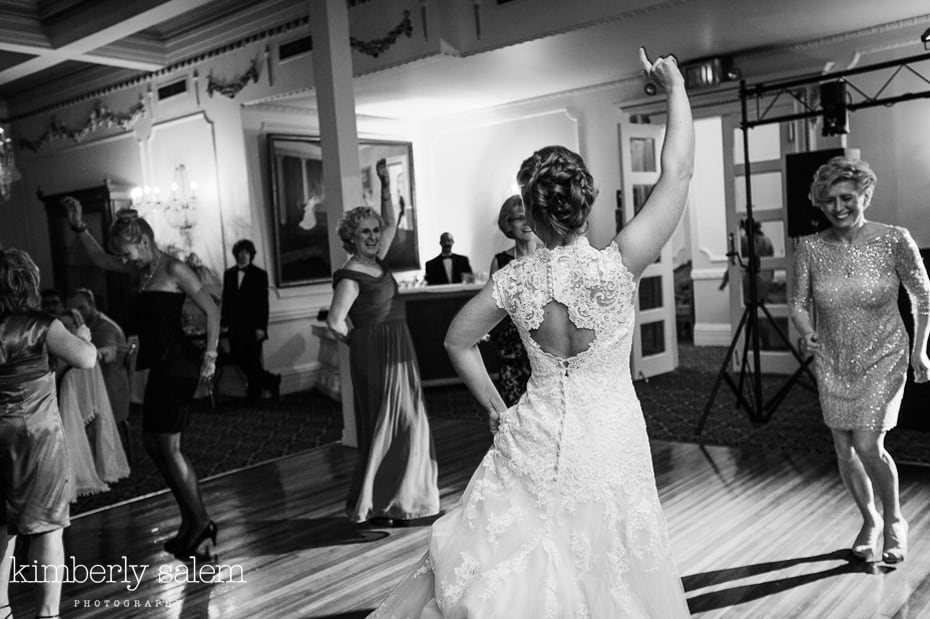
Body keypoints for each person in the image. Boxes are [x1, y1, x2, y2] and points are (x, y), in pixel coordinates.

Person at [369, 47, 693, 617]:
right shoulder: (619, 263)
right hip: (611, 434)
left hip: (533, 432)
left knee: (522, 556)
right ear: (585, 201)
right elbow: (679, 172)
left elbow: (455, 341)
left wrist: (497, 407)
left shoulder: (514, 281)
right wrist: (675, 88)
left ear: (532, 212)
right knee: (610, 556)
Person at [62, 197, 221, 561]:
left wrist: (210, 358)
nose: (126, 258)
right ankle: (190, 523)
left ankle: (201, 523)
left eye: (128, 251)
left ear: (144, 242)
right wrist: (79, 226)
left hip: (177, 366)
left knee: (168, 447)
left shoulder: (174, 269)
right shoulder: (143, 271)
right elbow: (100, 258)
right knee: (153, 444)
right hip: (160, 366)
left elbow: (212, 309)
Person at [789, 156, 930, 564]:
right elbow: (797, 303)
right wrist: (805, 331)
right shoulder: (811, 248)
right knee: (843, 447)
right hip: (833, 357)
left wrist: (920, 349)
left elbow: (922, 297)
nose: (838, 207)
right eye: (828, 200)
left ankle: (895, 520)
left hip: (884, 352)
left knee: (868, 443)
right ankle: (869, 520)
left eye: (846, 197)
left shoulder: (894, 239)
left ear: (865, 194)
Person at [327, 158, 440, 525]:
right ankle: (378, 503)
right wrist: (360, 343)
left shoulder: (378, 262)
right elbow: (334, 321)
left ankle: (398, 500)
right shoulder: (351, 274)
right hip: (373, 352)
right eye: (365, 232)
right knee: (388, 425)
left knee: (409, 422)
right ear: (351, 238)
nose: (375, 236)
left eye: (375, 230)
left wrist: (385, 185)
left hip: (399, 348)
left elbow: (392, 222)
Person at [0, 248, 97, 619]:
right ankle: (47, 613)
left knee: (2, 528)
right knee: (46, 529)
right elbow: (86, 359)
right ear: (28, 284)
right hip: (34, 440)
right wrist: (83, 336)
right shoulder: (41, 325)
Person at [67, 287, 132, 461]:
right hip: (101, 385)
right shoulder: (89, 325)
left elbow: (104, 354)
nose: (78, 313)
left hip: (110, 390)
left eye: (81, 308)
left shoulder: (104, 328)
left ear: (91, 304)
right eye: (74, 310)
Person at [487, 195, 539, 406]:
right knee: (514, 412)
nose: (526, 222)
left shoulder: (550, 254)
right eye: (519, 218)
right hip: (511, 351)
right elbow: (492, 308)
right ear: (508, 225)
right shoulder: (500, 261)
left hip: (544, 348)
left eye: (530, 216)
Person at [221, 239, 281, 402]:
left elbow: (263, 304)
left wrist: (262, 328)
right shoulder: (229, 274)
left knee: (252, 361)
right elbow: (226, 300)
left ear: (251, 255)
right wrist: (223, 323)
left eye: (247, 252)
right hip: (234, 326)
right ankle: (272, 380)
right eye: (240, 252)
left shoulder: (260, 274)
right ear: (236, 255)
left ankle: (254, 394)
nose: (243, 256)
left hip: (253, 327)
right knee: (239, 359)